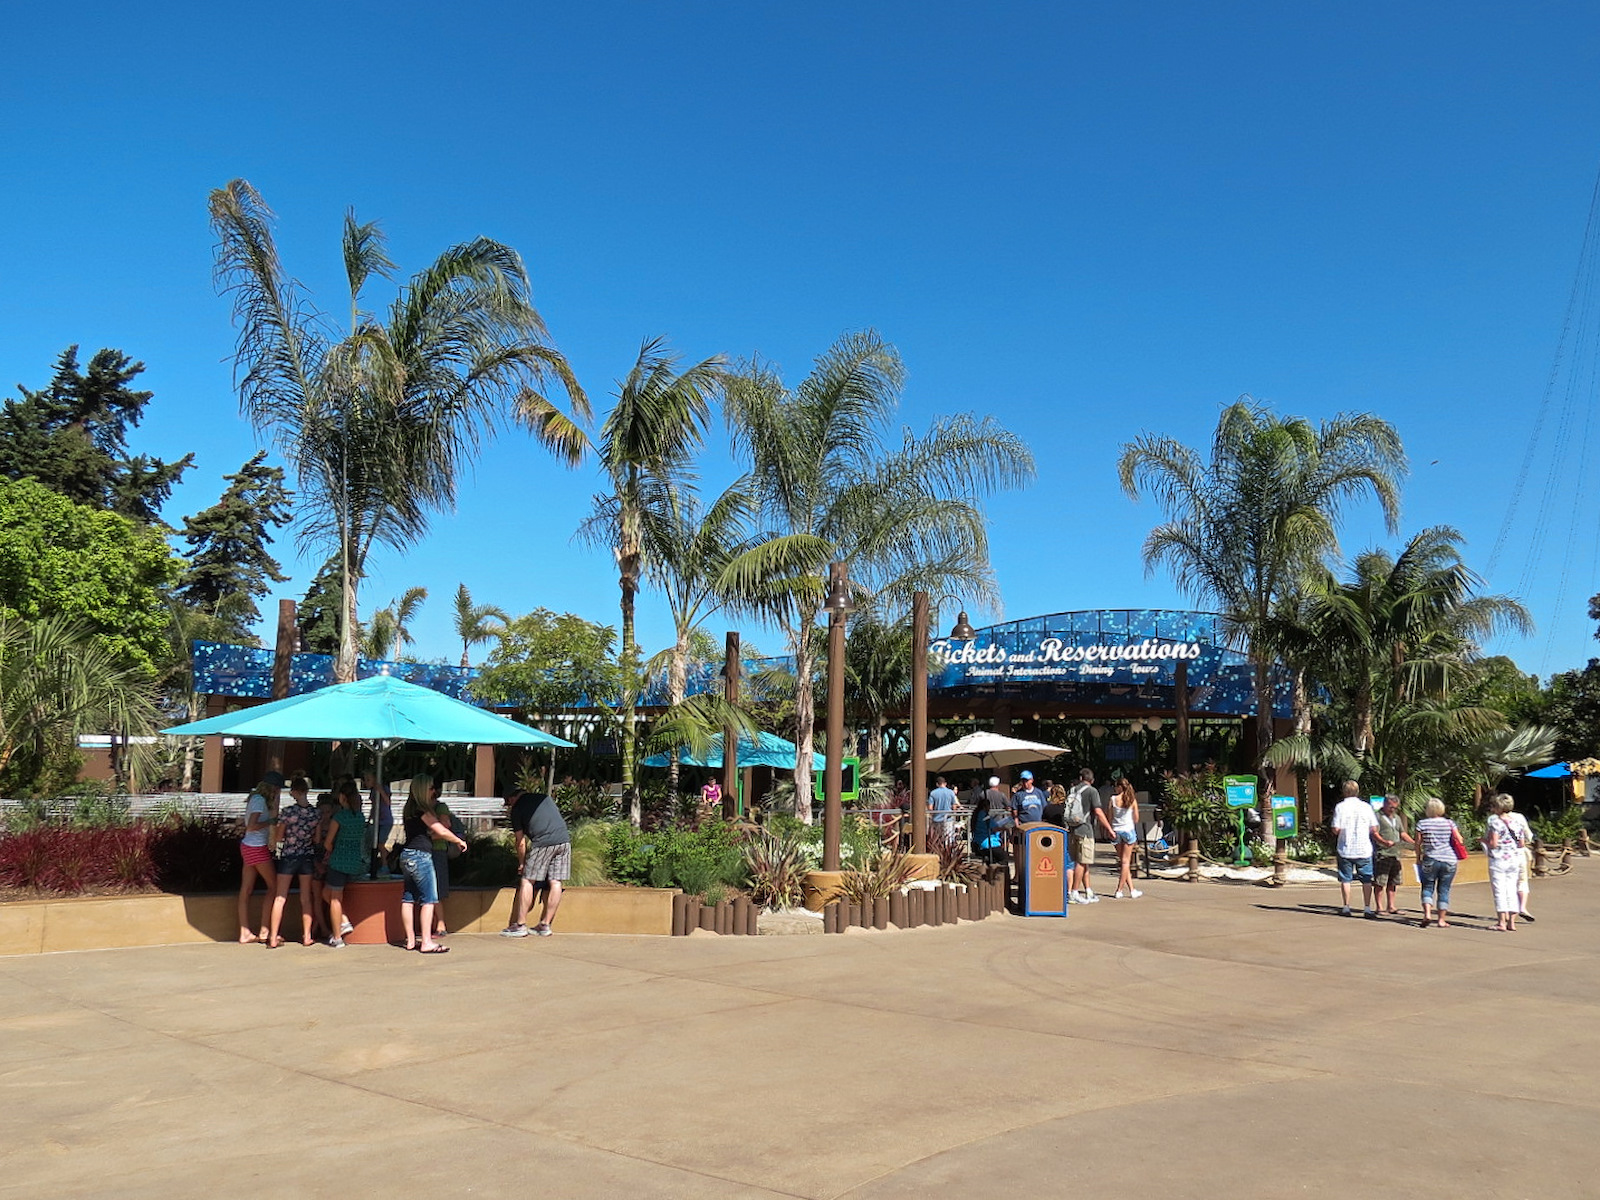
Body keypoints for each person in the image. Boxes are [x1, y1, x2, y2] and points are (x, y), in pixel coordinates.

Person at [398, 774, 469, 953]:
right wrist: (458, 841)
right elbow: (441, 830)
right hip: (421, 855)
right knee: (429, 899)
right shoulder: (424, 811)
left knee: (408, 898)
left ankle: (411, 940)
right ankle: (427, 941)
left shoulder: (409, 809)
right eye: (430, 788)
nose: (433, 791)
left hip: (407, 854)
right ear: (424, 790)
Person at [501, 788, 572, 937]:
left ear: (513, 798)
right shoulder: (544, 798)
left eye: (508, 803)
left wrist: (522, 863)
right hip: (564, 841)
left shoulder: (518, 808)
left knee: (527, 880)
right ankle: (545, 925)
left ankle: (520, 925)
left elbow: (520, 842)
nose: (509, 807)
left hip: (543, 843)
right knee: (556, 881)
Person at [267, 776, 320, 947]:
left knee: (280, 897)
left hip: (289, 855)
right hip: (306, 856)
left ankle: (273, 937)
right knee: (306, 898)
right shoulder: (315, 814)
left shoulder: (288, 812)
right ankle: (307, 936)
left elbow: (280, 836)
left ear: (295, 792)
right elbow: (317, 839)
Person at [237, 771, 283, 944]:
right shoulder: (259, 801)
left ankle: (245, 931)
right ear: (273, 788)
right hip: (257, 847)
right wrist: (270, 823)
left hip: (248, 846)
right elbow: (251, 825)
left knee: (246, 890)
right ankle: (265, 929)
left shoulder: (255, 799)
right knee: (274, 887)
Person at [322, 778, 368, 947]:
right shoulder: (360, 817)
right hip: (353, 861)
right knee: (326, 894)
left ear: (342, 797)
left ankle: (337, 937)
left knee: (334, 899)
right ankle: (344, 920)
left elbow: (328, 842)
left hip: (338, 861)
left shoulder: (339, 817)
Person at [1331, 780, 1378, 918]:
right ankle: (1367, 908)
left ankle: (1346, 906)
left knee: (1346, 879)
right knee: (1367, 879)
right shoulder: (1366, 807)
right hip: (1363, 847)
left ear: (1344, 792)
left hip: (1345, 847)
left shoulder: (1340, 807)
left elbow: (1335, 828)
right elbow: (1374, 827)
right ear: (1357, 791)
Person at [1413, 798, 1461, 928]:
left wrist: (1418, 857)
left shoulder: (1422, 824)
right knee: (1444, 890)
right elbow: (1459, 839)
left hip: (1430, 858)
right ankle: (1441, 920)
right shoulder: (1450, 823)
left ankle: (1427, 913)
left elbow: (1418, 843)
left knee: (1427, 887)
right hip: (1449, 860)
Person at [1065, 768, 1111, 903]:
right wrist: (1109, 828)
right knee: (1082, 862)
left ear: (1080, 778)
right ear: (1092, 780)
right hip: (1085, 830)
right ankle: (1074, 892)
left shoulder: (1072, 790)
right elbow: (1098, 811)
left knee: (1082, 861)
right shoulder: (1092, 791)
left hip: (1072, 830)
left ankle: (1088, 891)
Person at [1485, 794, 1527, 932]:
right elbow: (1521, 843)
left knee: (1499, 890)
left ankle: (1501, 922)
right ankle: (1512, 922)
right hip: (1514, 860)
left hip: (1498, 860)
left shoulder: (1495, 823)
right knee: (1511, 890)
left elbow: (1493, 843)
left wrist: (1482, 840)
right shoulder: (1517, 822)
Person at [1370, 795, 1413, 916]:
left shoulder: (1397, 818)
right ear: (1384, 804)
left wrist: (1414, 843)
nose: (1392, 809)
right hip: (1383, 853)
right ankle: (1379, 907)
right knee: (1380, 882)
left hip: (1395, 854)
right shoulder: (1377, 817)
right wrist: (1384, 842)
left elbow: (1403, 833)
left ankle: (1391, 906)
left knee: (1393, 882)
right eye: (1390, 807)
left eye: (1395, 807)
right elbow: (1374, 833)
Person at [1499, 794, 1536, 922]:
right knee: (1522, 881)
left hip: (1502, 856)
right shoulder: (1519, 817)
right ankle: (1522, 907)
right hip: (1519, 854)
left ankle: (1506, 915)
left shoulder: (1495, 819)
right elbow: (1528, 835)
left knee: (1506, 885)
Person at [429, 789, 459, 940]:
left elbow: (445, 827)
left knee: (437, 888)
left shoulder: (440, 808)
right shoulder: (424, 807)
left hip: (438, 850)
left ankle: (441, 924)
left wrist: (428, 837)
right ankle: (434, 924)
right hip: (428, 850)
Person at [1108, 777, 1143, 899]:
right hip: (1128, 830)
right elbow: (1136, 818)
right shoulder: (1132, 800)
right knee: (1126, 862)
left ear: (1119, 787)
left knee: (1123, 862)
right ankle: (1119, 890)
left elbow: (1110, 817)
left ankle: (1132, 889)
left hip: (1116, 831)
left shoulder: (1113, 799)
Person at [363, 769, 393, 857]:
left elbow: (388, 802)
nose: (366, 782)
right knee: (374, 843)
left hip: (386, 820)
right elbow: (374, 807)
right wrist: (369, 820)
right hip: (377, 820)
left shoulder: (384, 788)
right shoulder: (373, 791)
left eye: (368, 779)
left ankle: (385, 864)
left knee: (380, 843)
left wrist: (381, 791)